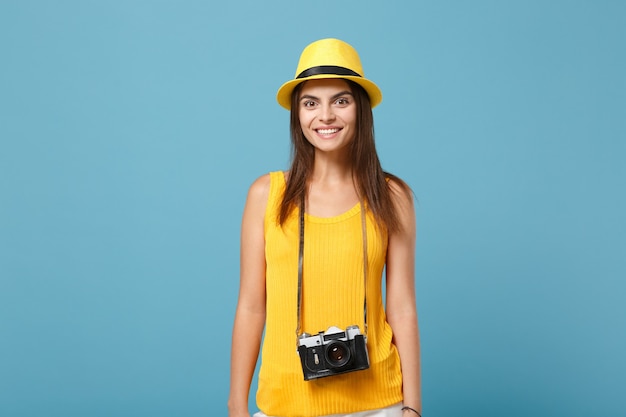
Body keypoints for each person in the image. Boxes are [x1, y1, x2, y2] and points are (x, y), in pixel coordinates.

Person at [228, 38, 421, 417]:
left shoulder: (391, 194)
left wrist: (412, 408)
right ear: (297, 114)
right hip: (285, 403)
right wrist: (237, 404)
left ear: (360, 110)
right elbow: (251, 307)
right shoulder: (266, 195)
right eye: (310, 103)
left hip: (378, 402)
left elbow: (401, 308)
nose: (326, 116)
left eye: (341, 100)